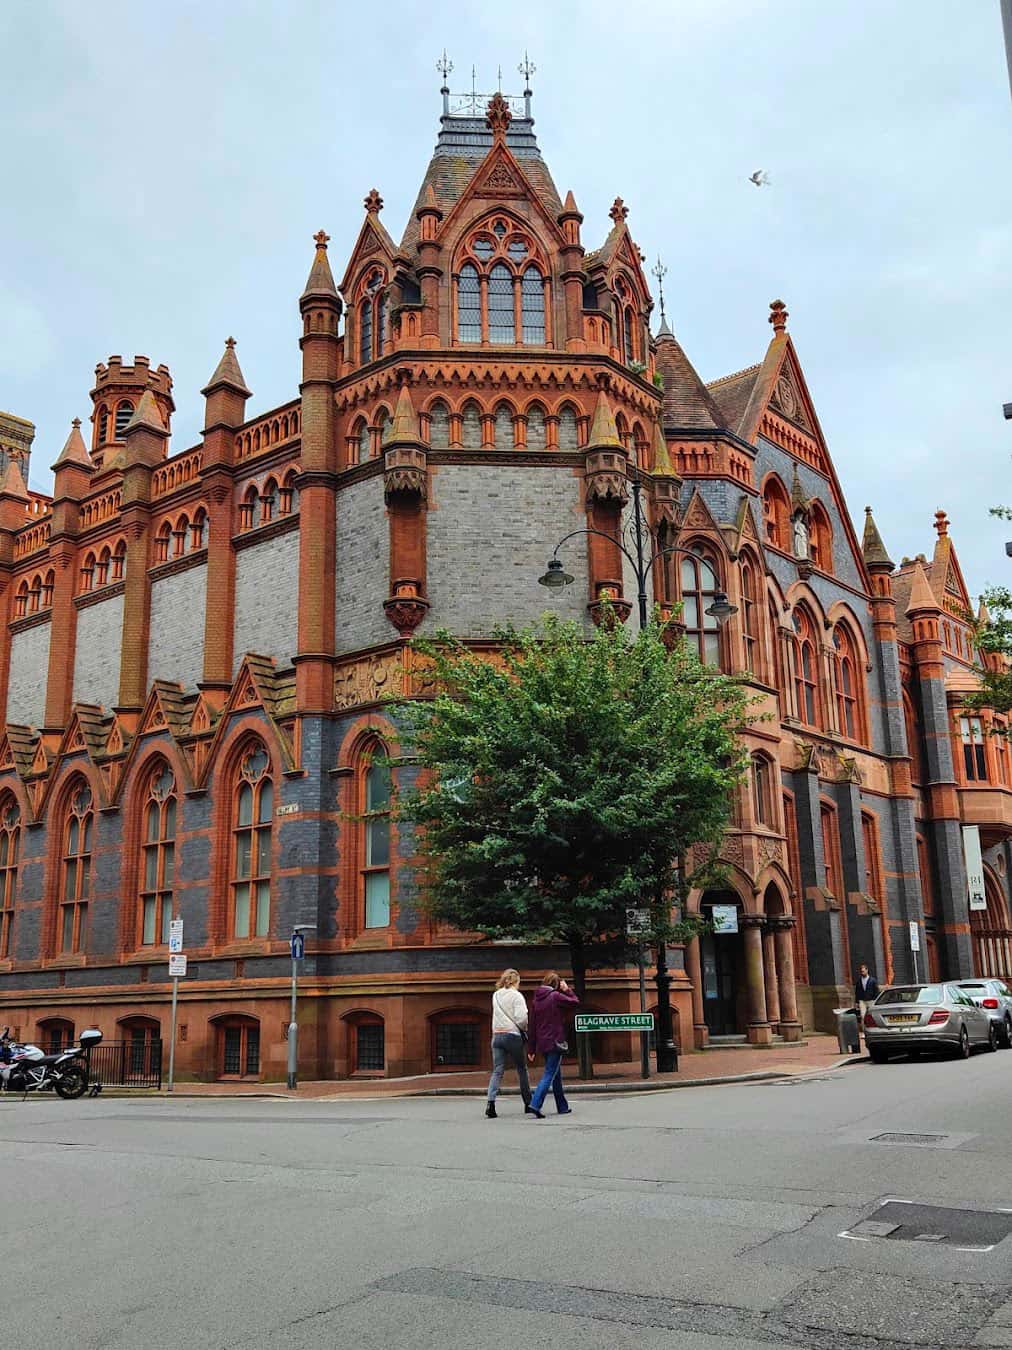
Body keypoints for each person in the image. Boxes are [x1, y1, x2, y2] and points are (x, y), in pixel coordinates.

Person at [526, 971, 579, 1119]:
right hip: (555, 1041)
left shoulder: (536, 1000)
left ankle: (562, 1106)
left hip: (543, 1042)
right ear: (555, 984)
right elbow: (575, 1002)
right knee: (549, 1073)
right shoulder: (555, 996)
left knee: (556, 1074)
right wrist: (567, 989)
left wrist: (531, 1048)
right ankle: (535, 1104)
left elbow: (533, 1025)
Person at [485, 969, 532, 1119]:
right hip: (512, 1035)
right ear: (515, 981)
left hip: (497, 1035)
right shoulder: (517, 996)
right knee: (521, 1069)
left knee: (497, 1070)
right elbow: (522, 1018)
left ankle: (490, 1104)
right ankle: (527, 1103)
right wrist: (525, 1029)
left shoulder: (496, 995)